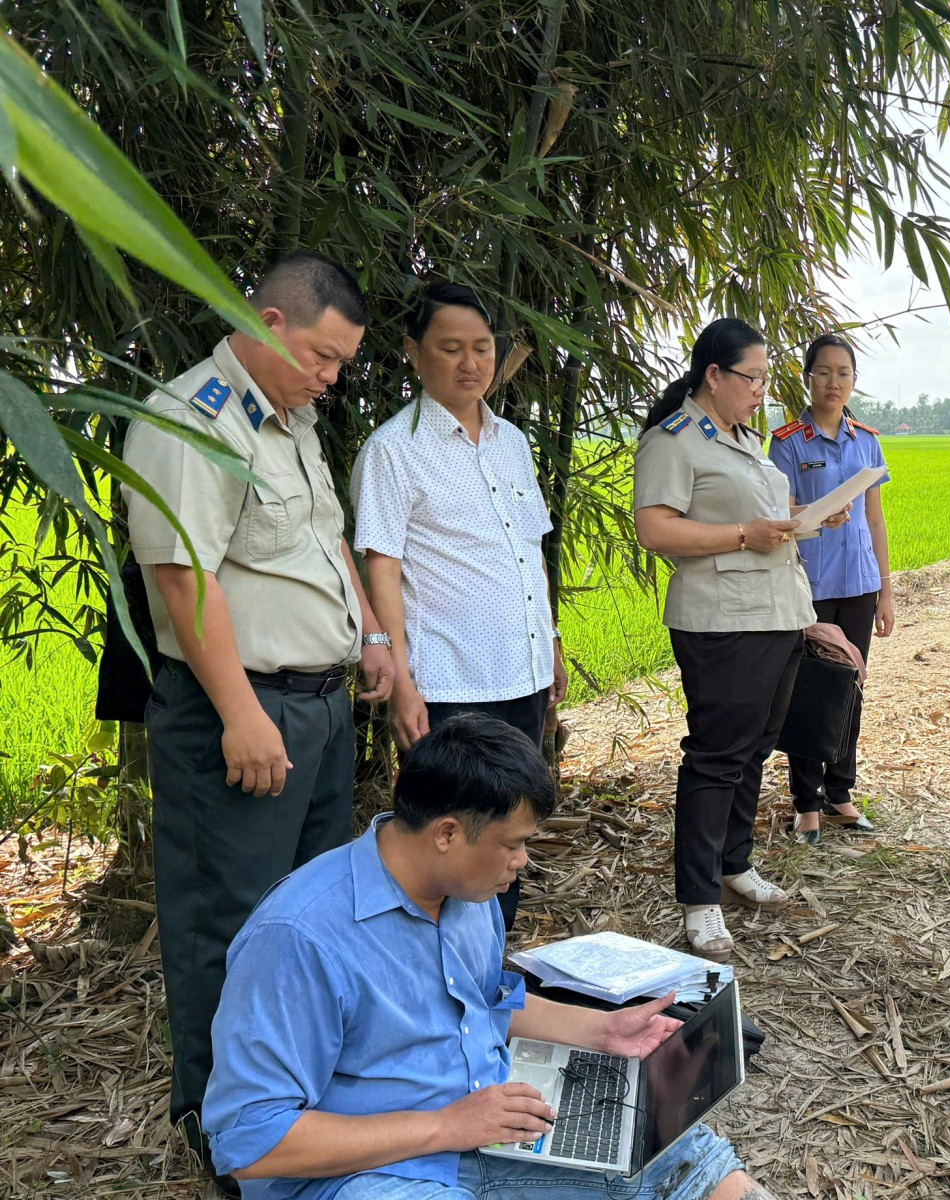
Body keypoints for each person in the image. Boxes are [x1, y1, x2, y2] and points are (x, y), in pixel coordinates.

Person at [202, 713, 783, 1200]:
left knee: (701, 1168)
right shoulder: (299, 937)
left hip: (492, 1123)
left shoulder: (466, 890)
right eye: (513, 843)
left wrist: (602, 1030)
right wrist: (445, 1126)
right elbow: (250, 1141)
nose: (522, 861)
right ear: (448, 832)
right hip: (368, 1170)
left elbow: (482, 1004)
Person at [120, 250, 395, 1186]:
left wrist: (367, 636)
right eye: (321, 357)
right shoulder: (192, 419)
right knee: (228, 924)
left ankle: (294, 1099)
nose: (328, 378)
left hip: (316, 712)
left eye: (340, 365)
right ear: (268, 323)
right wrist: (239, 714)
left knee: (312, 918)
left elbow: (321, 544)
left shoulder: (294, 423)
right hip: (243, 714)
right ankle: (223, 1126)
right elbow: (183, 574)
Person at [634, 318, 858, 959]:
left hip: (777, 613)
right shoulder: (673, 440)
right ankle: (699, 898)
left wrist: (803, 522)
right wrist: (745, 535)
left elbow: (760, 526)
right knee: (715, 757)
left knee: (756, 747)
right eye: (752, 378)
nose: (762, 390)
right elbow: (656, 530)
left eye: (764, 378)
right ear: (714, 375)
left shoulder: (744, 437)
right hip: (722, 622)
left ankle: (735, 863)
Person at [352, 282, 567, 931]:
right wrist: (402, 683)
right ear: (413, 352)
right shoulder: (394, 449)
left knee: (506, 839)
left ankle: (486, 970)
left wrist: (550, 640)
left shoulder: (512, 443)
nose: (470, 362)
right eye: (451, 348)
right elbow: (380, 566)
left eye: (481, 347)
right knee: (448, 846)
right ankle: (428, 980)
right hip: (449, 688)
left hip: (522, 678)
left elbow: (529, 551)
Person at [766, 334, 892, 844]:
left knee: (850, 687)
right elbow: (778, 513)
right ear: (807, 378)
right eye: (823, 372)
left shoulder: (868, 440)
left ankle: (841, 794)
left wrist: (886, 589)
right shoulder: (788, 441)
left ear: (854, 380)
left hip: (858, 583)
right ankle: (806, 803)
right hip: (809, 586)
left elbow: (877, 520)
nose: (833, 382)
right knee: (808, 690)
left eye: (843, 373)